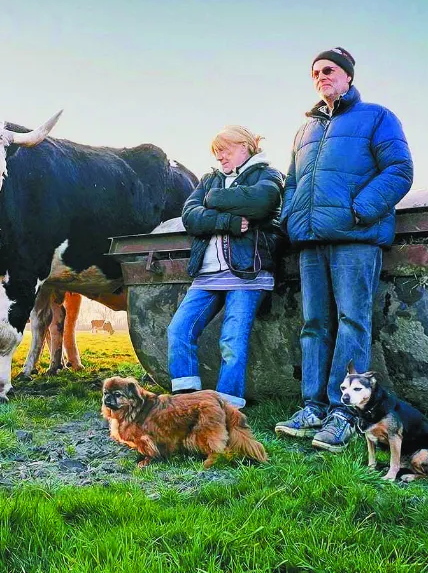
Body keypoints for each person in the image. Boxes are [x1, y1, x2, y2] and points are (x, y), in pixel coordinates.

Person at [273, 47, 413, 451]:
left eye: (329, 70)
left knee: (353, 322)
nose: (321, 76)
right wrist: (292, 219)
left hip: (355, 238)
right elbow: (293, 182)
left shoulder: (377, 117)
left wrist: (359, 210)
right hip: (312, 240)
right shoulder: (305, 131)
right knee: (314, 324)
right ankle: (313, 407)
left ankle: (344, 413)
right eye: (315, 72)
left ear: (348, 76)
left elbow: (400, 170)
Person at [167, 125, 283, 408]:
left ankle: (228, 410)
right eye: (217, 153)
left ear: (244, 146)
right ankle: (189, 404)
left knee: (231, 341)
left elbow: (261, 203)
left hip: (247, 273)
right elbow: (190, 216)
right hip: (208, 274)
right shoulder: (209, 179)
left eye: (224, 151)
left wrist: (213, 200)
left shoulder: (268, 174)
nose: (219, 158)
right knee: (178, 330)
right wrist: (227, 221)